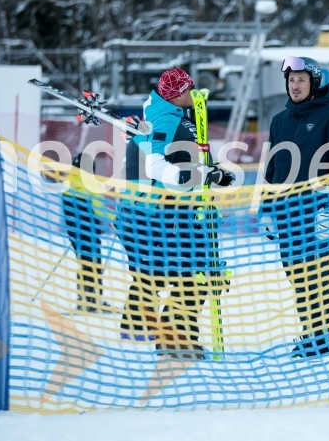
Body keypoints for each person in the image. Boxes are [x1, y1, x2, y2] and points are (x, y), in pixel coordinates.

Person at [117, 67, 234, 359]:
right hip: (168, 213)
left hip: (185, 210)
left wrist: (214, 174)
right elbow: (156, 166)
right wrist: (189, 179)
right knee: (193, 276)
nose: (190, 93)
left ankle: (173, 336)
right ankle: (172, 339)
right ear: (174, 94)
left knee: (193, 275)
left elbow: (189, 159)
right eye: (186, 90)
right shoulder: (167, 119)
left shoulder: (182, 117)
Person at [262, 56, 329, 358]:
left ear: (313, 83)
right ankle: (328, 331)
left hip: (315, 211)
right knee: (295, 274)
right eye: (291, 80)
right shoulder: (279, 121)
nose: (295, 85)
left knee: (315, 272)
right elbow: (273, 169)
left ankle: (327, 335)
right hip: (284, 212)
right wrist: (266, 209)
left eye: (301, 79)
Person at [61, 153, 110, 313]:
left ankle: (83, 299)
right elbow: (98, 206)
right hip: (89, 230)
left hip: (74, 230)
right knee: (94, 262)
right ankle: (94, 300)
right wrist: (115, 220)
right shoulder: (90, 182)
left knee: (83, 262)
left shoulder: (68, 182)